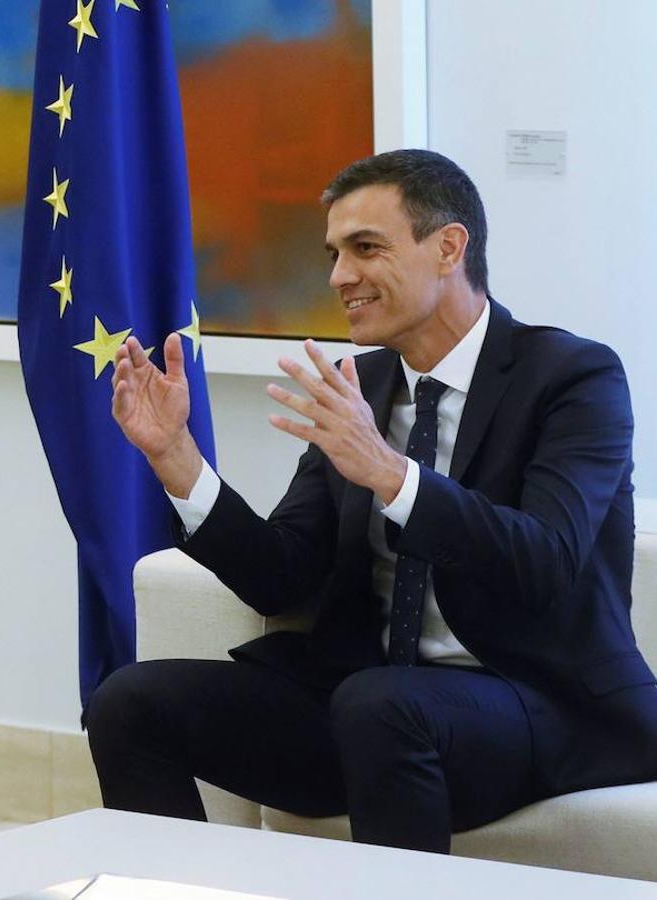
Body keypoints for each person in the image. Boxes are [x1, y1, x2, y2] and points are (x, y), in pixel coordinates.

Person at [87, 149, 657, 852]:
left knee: (382, 705)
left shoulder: (572, 377)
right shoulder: (360, 384)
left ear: (448, 247)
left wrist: (391, 475)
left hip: (539, 706)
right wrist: (175, 457)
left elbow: (546, 559)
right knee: (130, 702)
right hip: (373, 711)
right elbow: (280, 577)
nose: (338, 277)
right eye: (332, 254)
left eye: (364, 248)